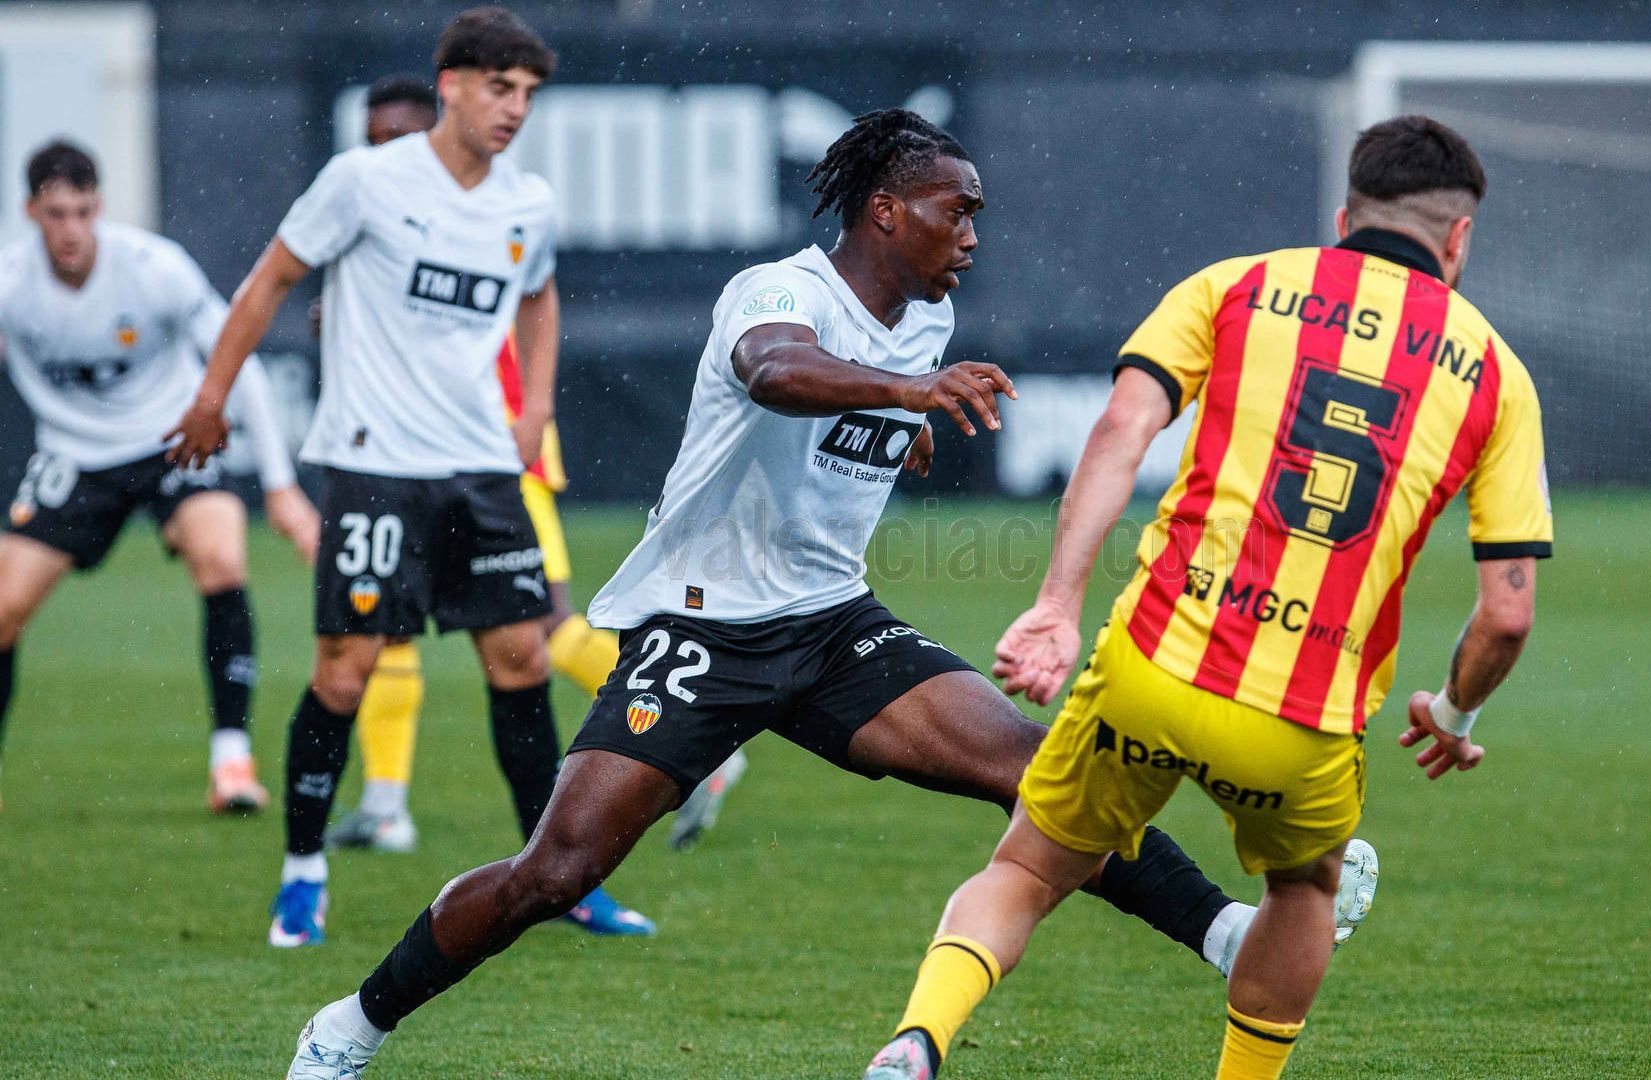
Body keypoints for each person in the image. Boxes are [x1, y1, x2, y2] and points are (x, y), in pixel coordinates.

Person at [278, 106, 1377, 1077]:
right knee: (553, 873)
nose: (974, 236)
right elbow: (774, 370)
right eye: (959, 211)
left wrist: (898, 428)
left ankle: (1225, 934)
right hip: (702, 630)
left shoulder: (927, 322)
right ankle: (350, 1026)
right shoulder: (780, 289)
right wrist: (906, 393)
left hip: (830, 623)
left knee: (1041, 772)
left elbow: (846, 422)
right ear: (888, 211)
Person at [861, 114, 1552, 1080]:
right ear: (1460, 237)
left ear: (1345, 214)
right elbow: (1508, 612)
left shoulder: (1242, 285)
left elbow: (1119, 432)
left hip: (1157, 660)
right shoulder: (1496, 375)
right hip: (1301, 715)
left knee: (1024, 869)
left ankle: (918, 1041)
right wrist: (1455, 708)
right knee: (1308, 890)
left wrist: (1059, 604)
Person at [166, 6, 645, 946]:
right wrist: (212, 397)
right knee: (344, 673)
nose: (514, 110)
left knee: (522, 660)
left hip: (478, 473)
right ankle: (303, 872)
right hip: (374, 470)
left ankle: (558, 878)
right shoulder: (366, 182)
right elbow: (269, 281)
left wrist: (535, 406)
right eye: (499, 89)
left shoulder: (526, 202)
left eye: (528, 95)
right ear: (453, 85)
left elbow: (540, 295)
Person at [321, 73, 747, 858]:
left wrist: (528, 420)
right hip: (400, 456)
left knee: (541, 628)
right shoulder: (373, 217)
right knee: (387, 630)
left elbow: (517, 313)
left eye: (396, 139)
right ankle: (384, 805)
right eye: (372, 141)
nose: (384, 155)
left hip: (489, 455)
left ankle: (696, 740)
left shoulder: (484, 210)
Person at [0, 139, 317, 814]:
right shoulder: (10, 284)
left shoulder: (152, 268)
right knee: (4, 610)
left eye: (83, 211)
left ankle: (231, 761)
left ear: (100, 207)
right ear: (31, 211)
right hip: (75, 455)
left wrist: (281, 486)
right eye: (56, 213)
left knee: (221, 560)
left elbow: (243, 363)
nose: (72, 230)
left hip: (172, 440)